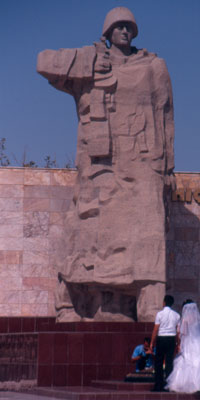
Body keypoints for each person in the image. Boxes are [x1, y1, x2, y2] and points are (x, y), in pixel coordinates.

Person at [37, 7, 175, 322]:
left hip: (142, 163)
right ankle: (72, 303)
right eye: (119, 26)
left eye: (130, 27)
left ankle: (143, 305)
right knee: (87, 231)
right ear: (108, 31)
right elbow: (43, 62)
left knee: (148, 232)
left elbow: (165, 115)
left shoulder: (153, 66)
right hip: (100, 165)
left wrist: (167, 169)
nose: (125, 31)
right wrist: (87, 61)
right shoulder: (94, 62)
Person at [150, 295, 180, 392]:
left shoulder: (159, 314)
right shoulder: (177, 315)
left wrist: (152, 342)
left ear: (164, 302)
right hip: (171, 339)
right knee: (169, 362)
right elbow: (178, 332)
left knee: (158, 363)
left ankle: (158, 385)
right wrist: (178, 343)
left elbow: (155, 329)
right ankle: (168, 385)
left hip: (161, 339)